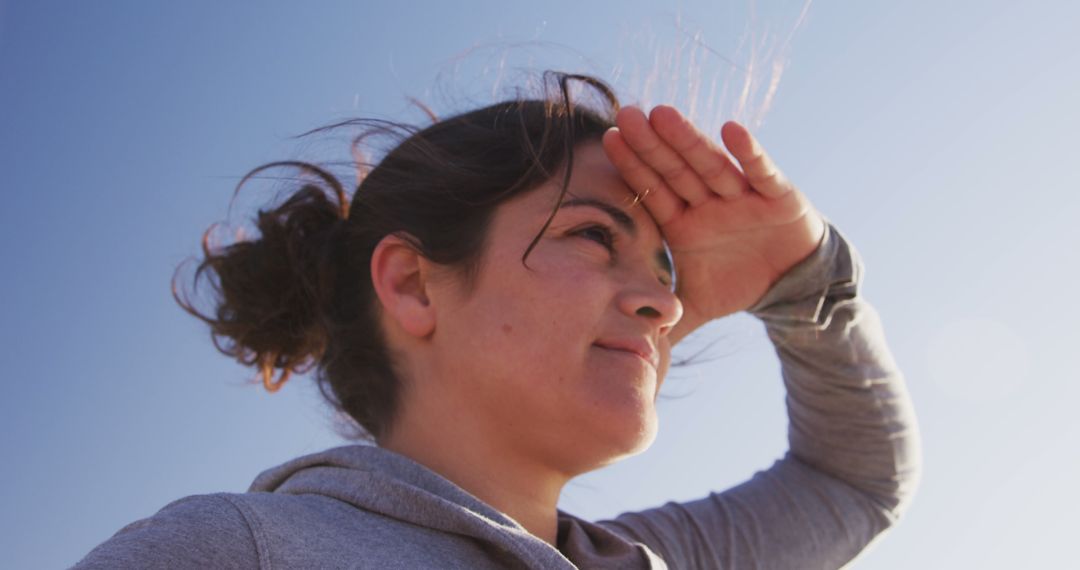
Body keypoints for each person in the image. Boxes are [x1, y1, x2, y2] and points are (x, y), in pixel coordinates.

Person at [74, 72, 921, 569]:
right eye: (594, 235)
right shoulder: (243, 549)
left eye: (665, 272)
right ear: (412, 284)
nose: (667, 303)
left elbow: (856, 482)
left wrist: (806, 287)